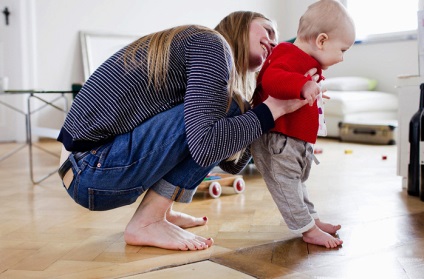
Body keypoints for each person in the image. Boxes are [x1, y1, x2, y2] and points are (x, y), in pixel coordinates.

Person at [57, 11, 317, 251]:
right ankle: (148, 221)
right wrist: (268, 112)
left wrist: (263, 107)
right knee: (229, 111)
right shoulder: (212, 45)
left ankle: (161, 211)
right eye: (267, 31)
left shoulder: (205, 58)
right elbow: (205, 145)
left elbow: (231, 165)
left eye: (277, 39)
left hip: (91, 169)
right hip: (91, 169)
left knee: (233, 111)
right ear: (240, 25)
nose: (273, 42)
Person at [251, 0, 356, 249]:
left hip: (294, 140)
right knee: (286, 184)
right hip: (278, 138)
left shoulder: (307, 62)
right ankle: (307, 230)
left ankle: (312, 219)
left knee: (297, 183)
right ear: (321, 41)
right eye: (342, 50)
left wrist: (314, 90)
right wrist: (303, 85)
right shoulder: (286, 53)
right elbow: (273, 80)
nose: (342, 58)